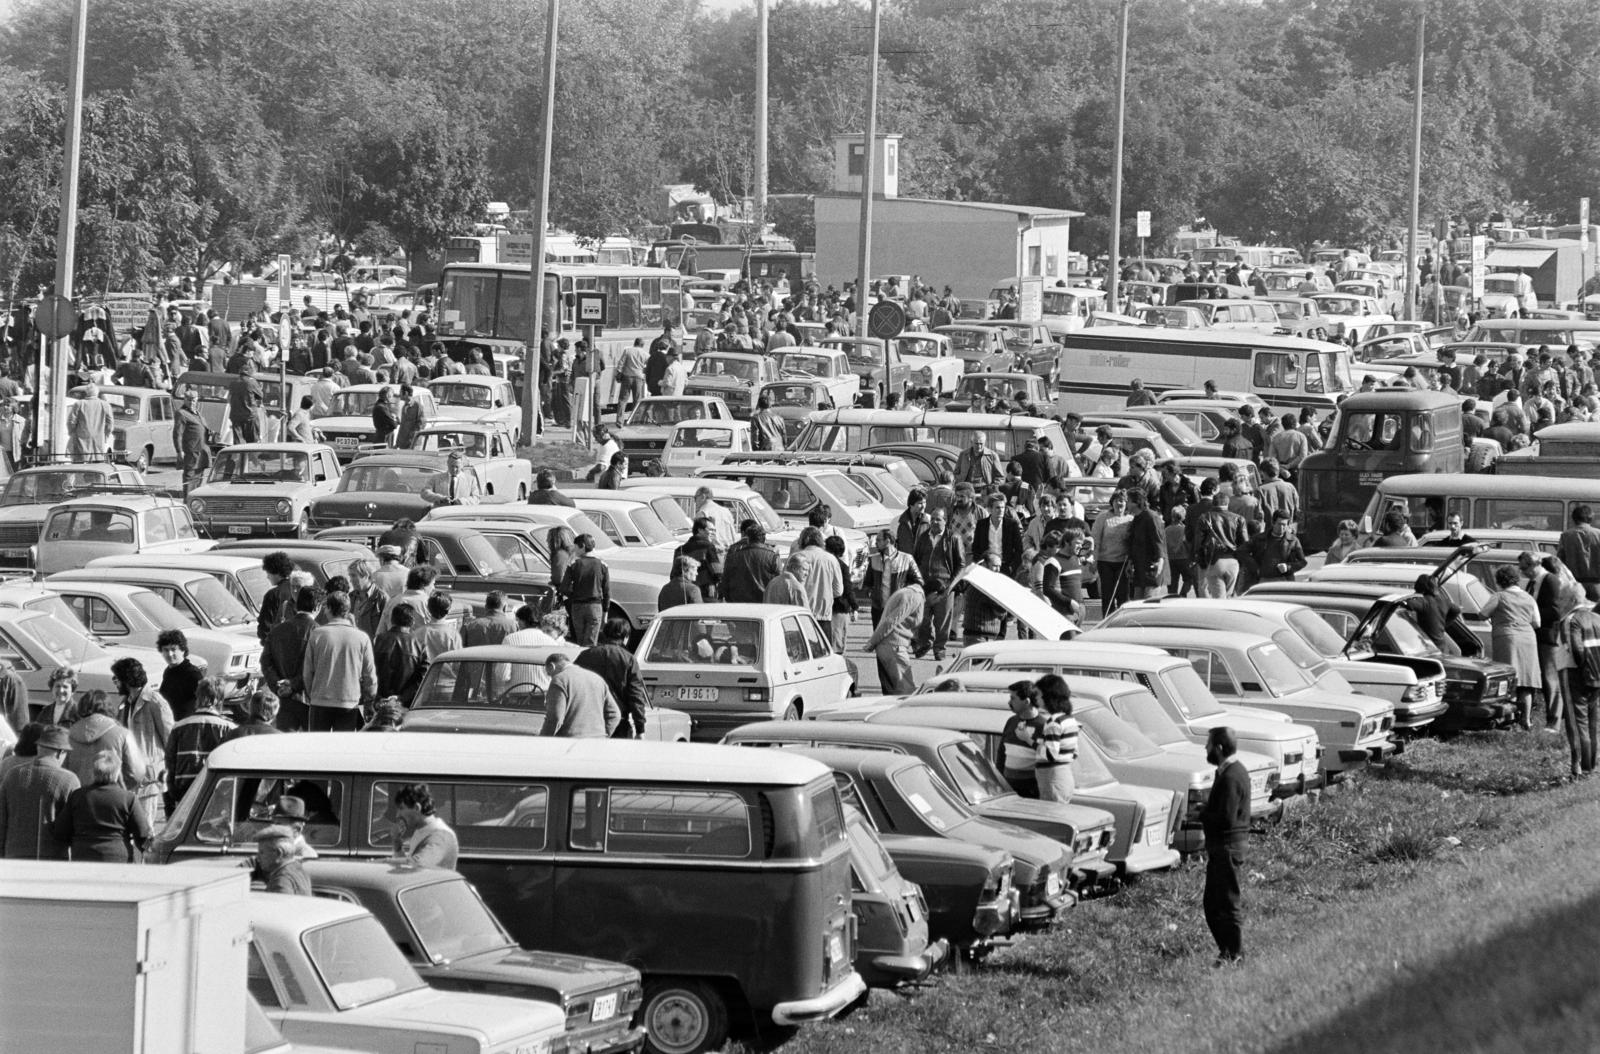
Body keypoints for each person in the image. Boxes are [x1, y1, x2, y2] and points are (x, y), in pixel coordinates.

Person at [1200, 727, 1250, 967]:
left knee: (1226, 902)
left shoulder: (1230, 776)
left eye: (1208, 744)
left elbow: (1225, 818)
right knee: (1213, 903)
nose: (1205, 748)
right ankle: (1228, 952)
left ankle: (1234, 954)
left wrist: (1201, 814)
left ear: (1219, 748)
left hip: (1227, 847)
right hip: (1226, 847)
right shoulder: (1233, 771)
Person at [51, 748, 152, 862]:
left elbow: (61, 831)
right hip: (118, 857)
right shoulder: (128, 798)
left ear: (93, 772)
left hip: (83, 856)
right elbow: (143, 834)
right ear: (117, 772)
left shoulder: (78, 796)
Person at [302, 591, 377, 731]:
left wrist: (312, 694)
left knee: (318, 743)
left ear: (330, 608)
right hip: (349, 702)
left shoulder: (317, 635)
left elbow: (307, 672)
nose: (324, 610)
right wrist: (369, 701)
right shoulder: (362, 638)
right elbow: (369, 676)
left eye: (326, 607)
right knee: (343, 743)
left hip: (320, 701)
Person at [0, 725, 79, 859]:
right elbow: (74, 825)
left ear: (38, 747)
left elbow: (2, 820)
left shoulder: (12, 775)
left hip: (14, 856)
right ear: (60, 753)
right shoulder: (69, 780)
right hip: (53, 858)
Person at [112, 657, 172, 827]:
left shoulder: (154, 702)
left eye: (116, 678)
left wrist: (164, 772)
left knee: (145, 829)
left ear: (127, 680)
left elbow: (170, 739)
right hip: (127, 778)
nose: (115, 683)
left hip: (148, 780)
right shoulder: (125, 704)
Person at [1480, 564, 1541, 730]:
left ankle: (1509, 719)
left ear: (1500, 580)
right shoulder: (1529, 598)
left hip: (1507, 638)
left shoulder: (1499, 596)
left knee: (1509, 679)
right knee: (1526, 681)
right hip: (1528, 639)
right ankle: (1526, 720)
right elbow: (1537, 622)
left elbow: (1483, 614)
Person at [575, 617, 650, 739]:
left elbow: (574, 685)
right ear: (626, 637)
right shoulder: (628, 659)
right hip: (619, 723)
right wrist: (640, 728)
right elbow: (636, 695)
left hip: (587, 720)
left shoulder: (585, 656)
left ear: (605, 634)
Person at [164, 681, 233, 813]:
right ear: (217, 699)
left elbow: (169, 763)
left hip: (184, 792)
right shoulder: (228, 728)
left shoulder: (179, 727)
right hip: (216, 791)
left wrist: (172, 793)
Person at [66, 690, 145, 793]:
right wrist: (120, 788)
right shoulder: (122, 734)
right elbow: (137, 773)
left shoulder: (68, 735)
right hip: (113, 797)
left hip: (77, 796)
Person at [263, 587, 319, 731]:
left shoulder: (277, 630)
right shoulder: (318, 632)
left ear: (296, 605)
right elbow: (317, 667)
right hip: (309, 698)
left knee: (285, 741)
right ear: (317, 607)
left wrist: (278, 685)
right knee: (311, 742)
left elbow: (266, 662)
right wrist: (293, 685)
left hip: (284, 699)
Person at [913, 508, 965, 661]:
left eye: (938, 519)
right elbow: (916, 560)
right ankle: (926, 642)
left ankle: (940, 648)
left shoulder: (953, 538)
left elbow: (961, 565)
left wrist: (950, 587)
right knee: (922, 618)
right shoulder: (923, 537)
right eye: (933, 519)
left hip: (944, 587)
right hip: (925, 587)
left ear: (945, 521)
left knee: (942, 622)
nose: (935, 522)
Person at [541, 652, 620, 738]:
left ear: (552, 666)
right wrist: (603, 735)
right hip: (598, 741)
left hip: (569, 741)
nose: (551, 677)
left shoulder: (559, 679)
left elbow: (555, 718)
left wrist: (542, 740)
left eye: (549, 674)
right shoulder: (597, 679)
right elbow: (615, 714)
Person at [865, 580, 923, 695]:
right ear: (934, 594)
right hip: (893, 646)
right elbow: (891, 621)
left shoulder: (909, 593)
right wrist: (872, 642)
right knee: (906, 690)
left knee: (896, 690)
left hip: (891, 645)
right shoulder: (913, 597)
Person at [1563, 598, 1600, 778]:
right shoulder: (1597, 618)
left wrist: (1582, 666)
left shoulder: (1573, 619)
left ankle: (1583, 767)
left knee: (1578, 722)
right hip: (1597, 674)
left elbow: (1576, 648)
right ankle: (1591, 765)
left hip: (1578, 673)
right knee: (1592, 721)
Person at [1193, 491, 1250, 599]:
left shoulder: (1205, 517)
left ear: (1213, 503)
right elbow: (1245, 543)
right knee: (1228, 597)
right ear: (1227, 504)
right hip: (1233, 561)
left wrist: (1202, 562)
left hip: (1214, 560)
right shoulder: (1239, 519)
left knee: (1219, 599)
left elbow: (1198, 543)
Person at [1033, 675, 1079, 803]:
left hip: (1052, 778)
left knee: (1051, 812)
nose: (1036, 698)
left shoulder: (1053, 723)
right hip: (1065, 775)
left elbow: (1050, 755)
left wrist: (1032, 742)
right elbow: (1075, 752)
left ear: (1048, 696)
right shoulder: (1069, 719)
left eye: (1038, 694)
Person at [390, 783, 459, 868]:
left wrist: (382, 862)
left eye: (401, 808)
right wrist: (397, 843)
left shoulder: (441, 836)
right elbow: (407, 869)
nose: (398, 815)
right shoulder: (422, 830)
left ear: (416, 808)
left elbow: (418, 865)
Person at [1000, 680, 1046, 799]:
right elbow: (1001, 754)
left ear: (1026, 702)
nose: (1009, 702)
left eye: (1013, 698)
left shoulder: (1043, 726)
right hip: (1008, 790)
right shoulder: (1011, 722)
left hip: (1031, 793)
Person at [563, 534, 611, 647]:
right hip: (595, 607)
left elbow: (564, 588)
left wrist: (574, 594)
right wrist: (606, 610)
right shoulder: (602, 565)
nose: (574, 550)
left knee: (580, 641)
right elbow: (607, 590)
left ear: (582, 546)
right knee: (591, 642)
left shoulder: (573, 564)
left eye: (575, 547)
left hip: (577, 606)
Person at [1092, 489, 1134, 614]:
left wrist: (1131, 562)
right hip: (1105, 562)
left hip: (1123, 563)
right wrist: (1094, 560)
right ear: (1112, 502)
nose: (1119, 503)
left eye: (1122, 501)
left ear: (1126, 503)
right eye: (1116, 500)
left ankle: (1122, 620)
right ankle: (1107, 619)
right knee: (1107, 595)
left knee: (1123, 596)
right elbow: (1095, 540)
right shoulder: (1103, 517)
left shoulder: (1131, 519)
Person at [1406, 575, 1461, 656]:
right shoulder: (1443, 600)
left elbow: (1409, 604)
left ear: (1420, 588)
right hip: (1442, 647)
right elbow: (1457, 610)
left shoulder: (1424, 601)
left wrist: (1412, 596)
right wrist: (1444, 624)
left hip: (1429, 649)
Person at [250, 825, 312, 895]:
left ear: (279, 853)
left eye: (262, 852)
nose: (258, 858)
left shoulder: (281, 881)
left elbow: (281, 902)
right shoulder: (298, 869)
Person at [1249, 510, 1306, 584]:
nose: (1281, 528)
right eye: (1279, 524)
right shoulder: (1259, 538)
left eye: (1284, 525)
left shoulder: (1293, 540)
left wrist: (1288, 567)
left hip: (1284, 580)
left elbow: (1302, 562)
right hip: (1262, 580)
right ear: (1273, 523)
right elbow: (1241, 552)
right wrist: (1254, 567)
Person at [172, 388, 211, 493]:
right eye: (189, 400)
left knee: (199, 477)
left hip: (202, 450)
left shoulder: (197, 413)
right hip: (191, 450)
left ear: (197, 400)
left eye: (193, 400)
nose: (191, 403)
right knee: (189, 477)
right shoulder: (181, 413)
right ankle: (188, 499)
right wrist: (179, 450)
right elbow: (177, 433)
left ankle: (195, 498)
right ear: (184, 400)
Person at [1560, 504, 1600, 602]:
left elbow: (1560, 561)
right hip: (1597, 583)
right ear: (1591, 518)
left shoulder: (1566, 535)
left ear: (1574, 518)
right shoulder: (1598, 534)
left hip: (1575, 584)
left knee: (1578, 609)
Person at [67, 383, 114, 462]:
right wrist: (106, 435)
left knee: (80, 464)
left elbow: (71, 421)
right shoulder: (105, 405)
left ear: (86, 392)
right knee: (97, 463)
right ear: (97, 393)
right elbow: (110, 423)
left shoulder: (79, 404)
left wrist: (72, 432)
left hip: (81, 439)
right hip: (99, 440)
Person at [228, 361, 265, 443]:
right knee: (252, 442)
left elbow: (230, 397)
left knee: (238, 442)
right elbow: (260, 396)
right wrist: (259, 388)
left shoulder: (233, 382)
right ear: (249, 372)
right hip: (249, 415)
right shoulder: (251, 382)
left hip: (235, 416)